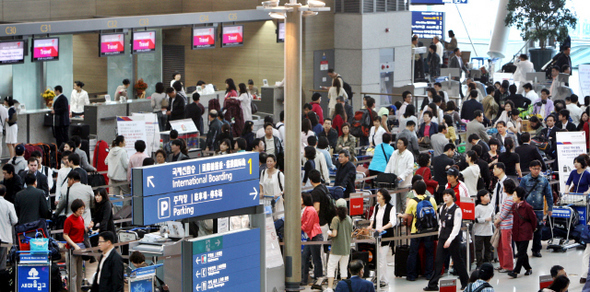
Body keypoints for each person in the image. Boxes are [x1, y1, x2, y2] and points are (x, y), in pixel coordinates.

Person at [424, 189, 469, 291]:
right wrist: (440, 236)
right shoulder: (442, 208)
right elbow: (441, 223)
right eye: (444, 195)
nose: (445, 197)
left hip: (453, 239)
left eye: (448, 195)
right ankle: (433, 284)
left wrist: (449, 240)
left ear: (452, 197)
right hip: (442, 238)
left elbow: (456, 227)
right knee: (438, 261)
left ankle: (465, 282)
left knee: (458, 261)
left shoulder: (457, 210)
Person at [400, 181, 437, 282]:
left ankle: (411, 275)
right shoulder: (431, 199)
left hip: (416, 230)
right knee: (429, 252)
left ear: (415, 190)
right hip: (429, 230)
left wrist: (400, 215)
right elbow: (435, 213)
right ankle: (428, 274)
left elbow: (408, 216)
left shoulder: (413, 201)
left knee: (413, 253)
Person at [519, 159, 553, 257]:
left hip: (539, 210)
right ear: (530, 168)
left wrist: (550, 208)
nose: (536, 171)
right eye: (534, 169)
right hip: (526, 209)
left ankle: (536, 250)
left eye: (538, 169)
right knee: (524, 231)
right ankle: (522, 251)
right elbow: (520, 193)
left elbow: (549, 195)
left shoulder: (544, 180)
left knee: (538, 230)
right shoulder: (525, 179)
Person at [369, 188, 397, 287]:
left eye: (379, 196)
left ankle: (381, 279)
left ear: (384, 198)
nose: (377, 198)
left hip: (386, 235)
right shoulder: (377, 207)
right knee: (380, 257)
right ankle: (382, 278)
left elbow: (392, 222)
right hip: (377, 235)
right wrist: (371, 225)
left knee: (381, 257)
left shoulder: (391, 208)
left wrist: (382, 228)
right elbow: (373, 217)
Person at [507, 186, 536, 279]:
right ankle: (528, 268)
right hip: (516, 232)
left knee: (521, 252)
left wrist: (532, 229)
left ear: (519, 196)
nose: (513, 197)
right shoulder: (514, 206)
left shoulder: (527, 207)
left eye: (515, 195)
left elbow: (533, 219)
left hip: (525, 232)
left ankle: (516, 271)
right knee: (521, 252)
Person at [325, 198, 352, 292]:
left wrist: (329, 232)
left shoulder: (335, 219)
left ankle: (329, 288)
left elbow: (334, 234)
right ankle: (344, 289)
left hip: (336, 249)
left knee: (331, 267)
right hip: (346, 249)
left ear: (336, 208)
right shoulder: (349, 219)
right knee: (343, 269)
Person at [63, 198, 89, 292]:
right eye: (80, 209)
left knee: (79, 273)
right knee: (73, 273)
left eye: (83, 208)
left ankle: (78, 289)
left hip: (80, 248)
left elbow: (82, 231)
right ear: (75, 209)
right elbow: (65, 235)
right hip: (72, 249)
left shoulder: (81, 218)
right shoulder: (69, 220)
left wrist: (88, 228)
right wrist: (74, 245)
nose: (82, 211)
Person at [301, 192, 324, 286]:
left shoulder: (310, 210)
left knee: (316, 258)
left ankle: (318, 278)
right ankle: (304, 279)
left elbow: (308, 225)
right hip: (311, 236)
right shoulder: (306, 209)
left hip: (315, 236)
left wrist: (299, 228)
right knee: (305, 256)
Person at [494, 178, 516, 273]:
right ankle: (502, 264)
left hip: (507, 226)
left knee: (506, 246)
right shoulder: (507, 198)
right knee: (500, 246)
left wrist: (497, 221)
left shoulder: (510, 199)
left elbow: (504, 213)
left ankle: (508, 266)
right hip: (503, 225)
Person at [260, 154, 284, 220]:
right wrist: (261, 192)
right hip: (266, 200)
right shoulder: (263, 172)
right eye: (268, 161)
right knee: (268, 218)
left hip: (277, 200)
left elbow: (286, 187)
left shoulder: (279, 174)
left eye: (271, 161)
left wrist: (279, 194)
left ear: (275, 162)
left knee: (277, 218)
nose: (269, 163)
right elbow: (261, 183)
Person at [473, 190, 494, 268]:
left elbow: (493, 216)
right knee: (479, 249)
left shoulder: (491, 206)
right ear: (481, 197)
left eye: (488, 195)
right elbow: (475, 219)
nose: (488, 197)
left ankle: (487, 263)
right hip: (479, 232)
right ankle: (479, 264)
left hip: (489, 231)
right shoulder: (478, 208)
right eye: (486, 196)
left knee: (488, 248)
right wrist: (484, 219)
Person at [0, 185, 17, 271]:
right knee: (2, 260)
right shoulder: (9, 204)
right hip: (3, 236)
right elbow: (14, 220)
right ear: (5, 193)